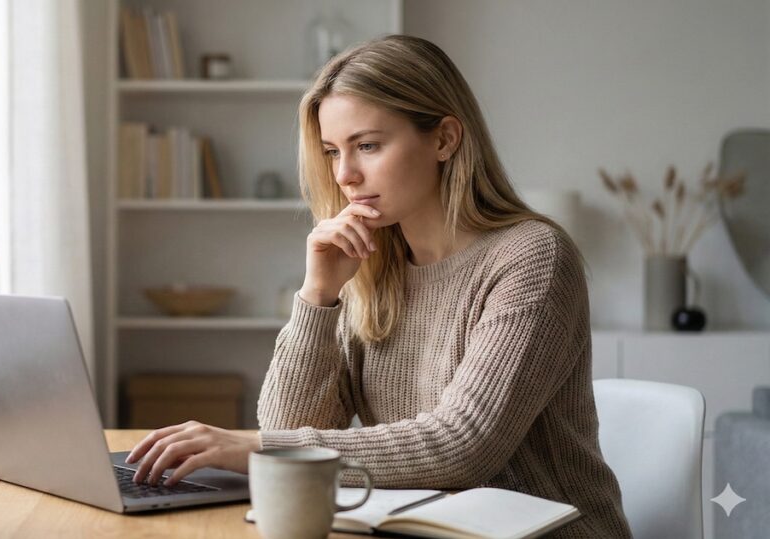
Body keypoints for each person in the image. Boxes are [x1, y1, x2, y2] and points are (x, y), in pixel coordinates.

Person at [125, 35, 631, 538]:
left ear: (444, 139)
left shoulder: (532, 257)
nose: (345, 174)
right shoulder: (369, 266)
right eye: (331, 151)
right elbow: (291, 424)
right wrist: (317, 297)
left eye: (367, 145)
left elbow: (464, 445)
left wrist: (257, 447)